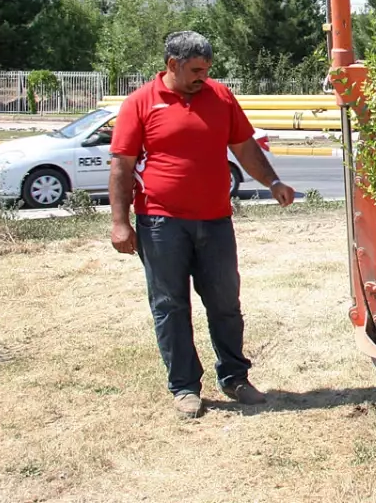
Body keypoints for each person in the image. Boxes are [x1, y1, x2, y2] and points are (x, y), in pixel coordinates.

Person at [108, 31, 296, 419]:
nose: (202, 77)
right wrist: (120, 223)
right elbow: (121, 166)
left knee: (226, 303)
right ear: (172, 65)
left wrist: (273, 181)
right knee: (170, 306)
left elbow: (244, 148)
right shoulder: (140, 103)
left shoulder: (221, 97)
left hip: (215, 221)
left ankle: (235, 378)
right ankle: (184, 388)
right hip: (161, 223)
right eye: (195, 70)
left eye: (207, 70)